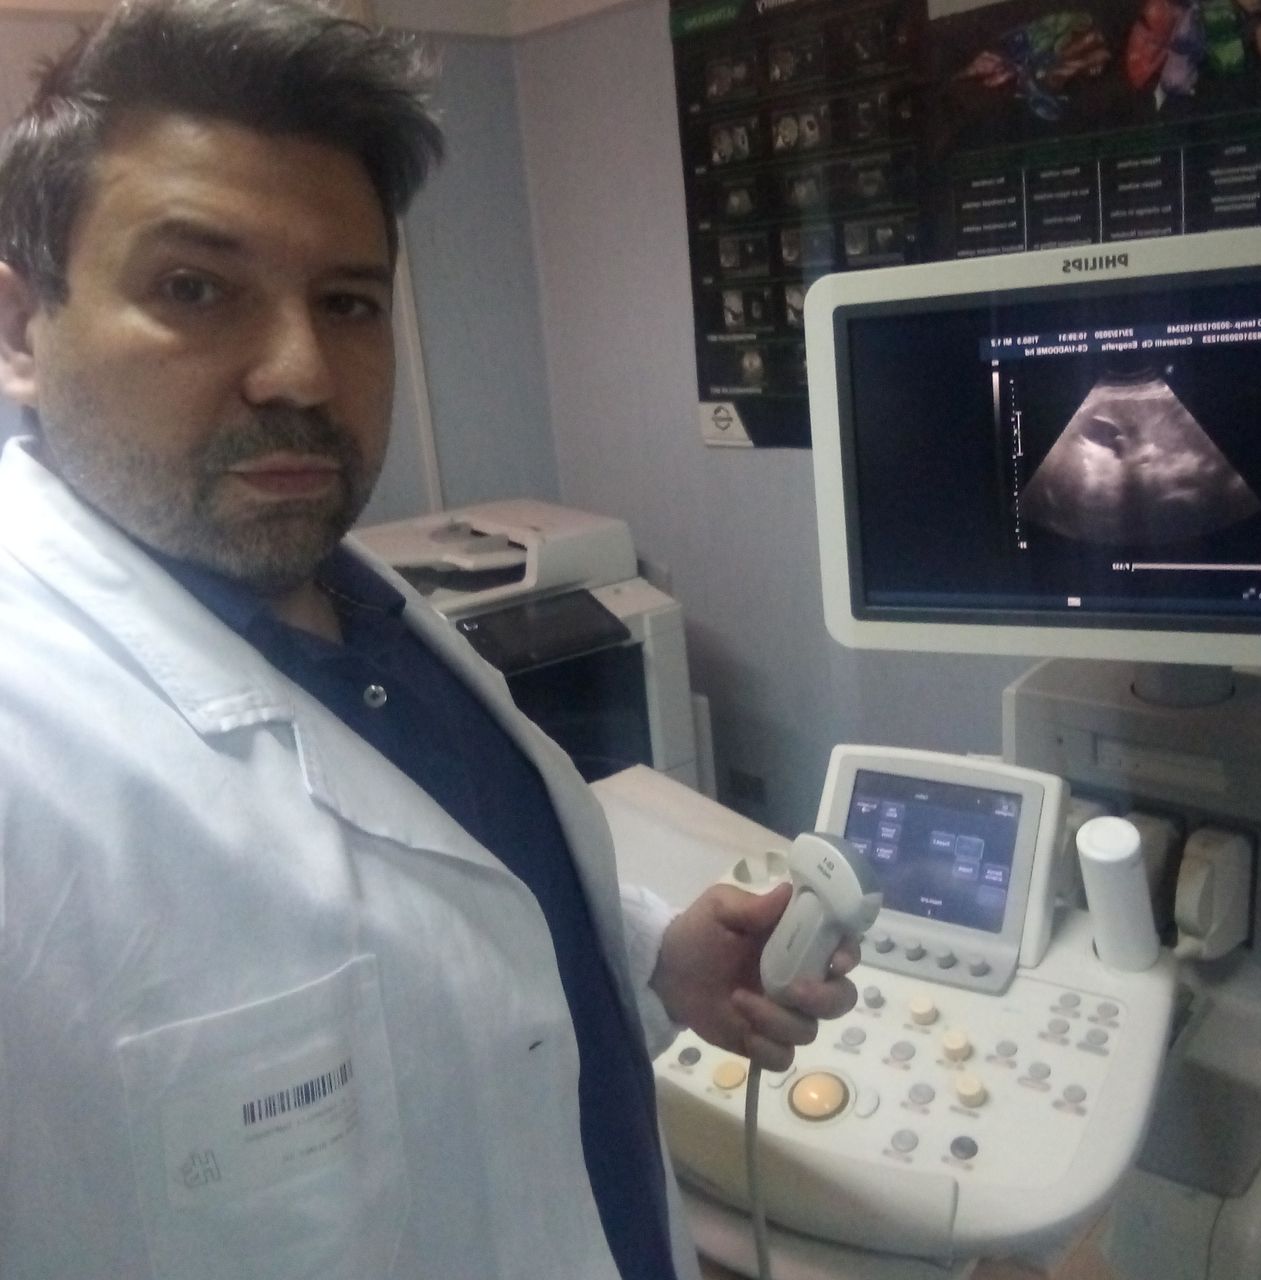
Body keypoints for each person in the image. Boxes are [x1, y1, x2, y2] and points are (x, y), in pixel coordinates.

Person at [0, 3, 859, 1277]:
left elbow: (455, 958)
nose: (300, 369)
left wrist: (650, 957)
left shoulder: (364, 611)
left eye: (348, 300)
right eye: (194, 288)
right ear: (19, 329)